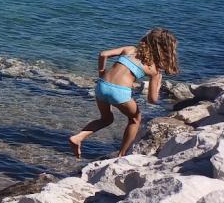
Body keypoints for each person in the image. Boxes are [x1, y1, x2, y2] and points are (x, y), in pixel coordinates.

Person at [69, 28, 179, 158]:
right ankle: (121, 155)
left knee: (106, 119)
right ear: (166, 49)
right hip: (119, 92)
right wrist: (158, 85)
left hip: (101, 86)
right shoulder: (153, 69)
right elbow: (152, 99)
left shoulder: (130, 49)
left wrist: (101, 73)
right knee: (135, 119)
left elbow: (103, 54)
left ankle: (78, 137)